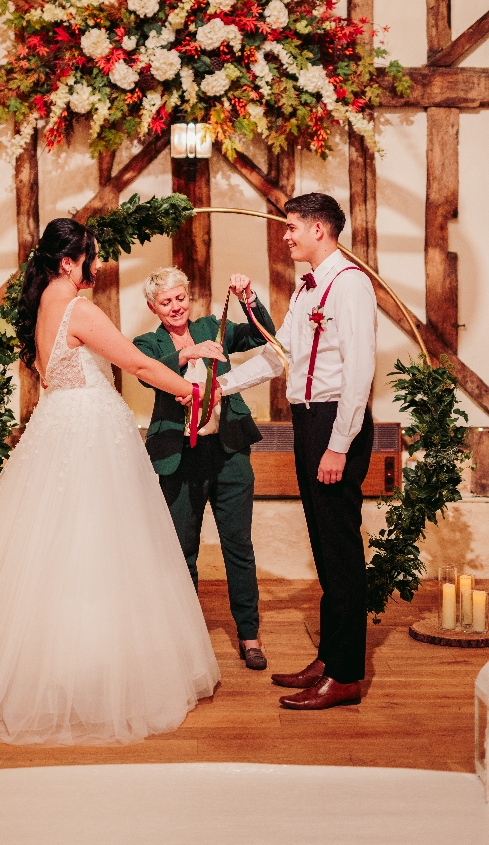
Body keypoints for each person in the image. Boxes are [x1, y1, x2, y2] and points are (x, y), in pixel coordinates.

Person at [0, 218, 219, 745]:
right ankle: (94, 674)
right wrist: (191, 393)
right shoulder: (77, 307)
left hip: (57, 427)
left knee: (55, 547)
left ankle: (53, 668)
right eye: (92, 257)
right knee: (97, 544)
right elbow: (139, 364)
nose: (97, 266)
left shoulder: (42, 309)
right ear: (68, 261)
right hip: (86, 435)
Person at [217, 193, 377, 709]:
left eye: (292, 227)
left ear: (320, 230)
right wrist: (221, 386)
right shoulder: (307, 289)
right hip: (308, 422)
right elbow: (277, 355)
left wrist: (338, 446)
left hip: (335, 423)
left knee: (342, 554)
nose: (285, 235)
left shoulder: (350, 285)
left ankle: (347, 676)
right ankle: (330, 659)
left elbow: (359, 374)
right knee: (325, 551)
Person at [133, 267, 276, 671]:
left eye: (180, 298)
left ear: (189, 298)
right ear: (153, 307)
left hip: (228, 451)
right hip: (179, 459)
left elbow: (263, 333)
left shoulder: (215, 326)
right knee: (182, 551)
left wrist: (249, 298)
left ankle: (249, 635)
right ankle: (189, 639)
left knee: (238, 547)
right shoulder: (147, 342)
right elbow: (148, 371)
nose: (176, 307)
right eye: (166, 302)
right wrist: (187, 353)